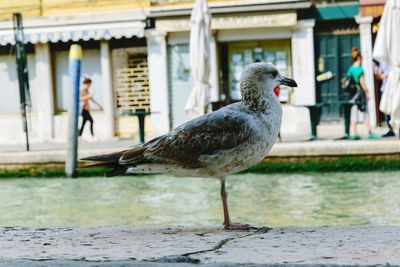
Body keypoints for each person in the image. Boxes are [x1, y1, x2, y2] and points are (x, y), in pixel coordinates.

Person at [347, 48, 379, 140]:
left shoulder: (351, 69)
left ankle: (353, 133)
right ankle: (369, 132)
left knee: (353, 113)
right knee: (365, 112)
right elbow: (362, 82)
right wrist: (367, 92)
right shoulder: (360, 69)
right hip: (360, 94)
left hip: (352, 94)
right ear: (359, 58)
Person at [376, 63, 395, 137]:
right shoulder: (382, 63)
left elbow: (394, 73)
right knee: (386, 109)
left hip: (393, 88)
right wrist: (380, 75)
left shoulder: (393, 61)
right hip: (385, 89)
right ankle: (391, 129)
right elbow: (380, 75)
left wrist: (385, 75)